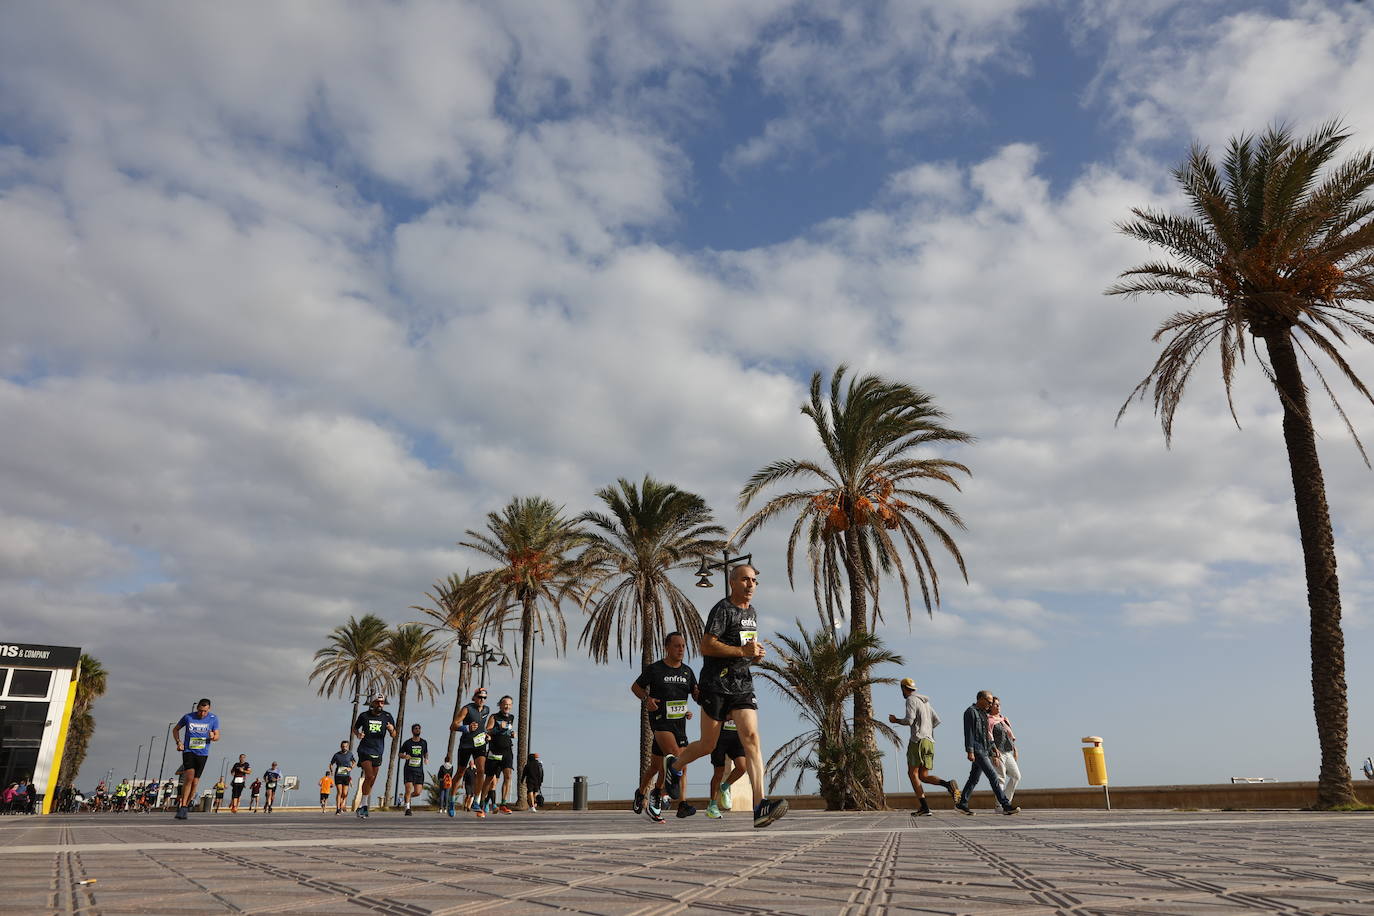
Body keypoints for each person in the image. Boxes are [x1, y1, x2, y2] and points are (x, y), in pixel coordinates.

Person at [664, 564, 788, 828]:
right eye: (745, 579)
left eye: (754, 580)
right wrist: (741, 651)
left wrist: (752, 655)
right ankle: (674, 766)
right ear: (733, 582)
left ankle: (760, 805)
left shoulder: (752, 613)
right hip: (716, 685)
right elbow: (707, 645)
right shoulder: (722, 609)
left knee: (752, 738)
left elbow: (743, 650)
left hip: (742, 685)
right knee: (707, 745)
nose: (751, 584)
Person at [631, 631, 699, 821]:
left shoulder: (687, 672)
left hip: (680, 725)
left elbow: (695, 695)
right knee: (677, 758)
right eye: (677, 645)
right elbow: (635, 687)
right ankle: (677, 801)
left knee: (656, 766)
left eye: (683, 646)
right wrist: (647, 699)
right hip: (660, 721)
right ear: (666, 647)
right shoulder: (655, 669)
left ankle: (642, 792)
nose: (681, 649)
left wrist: (697, 697)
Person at [888, 677, 961, 816]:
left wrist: (895, 720)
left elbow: (909, 720)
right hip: (929, 741)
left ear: (903, 688)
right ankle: (948, 785)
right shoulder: (926, 702)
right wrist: (926, 728)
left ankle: (924, 807)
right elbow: (937, 720)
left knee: (912, 774)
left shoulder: (910, 700)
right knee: (923, 775)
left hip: (918, 741)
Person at [956, 690, 1019, 815]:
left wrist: (992, 749)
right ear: (981, 699)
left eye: (991, 703)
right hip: (977, 749)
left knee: (973, 779)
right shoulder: (970, 712)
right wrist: (970, 751)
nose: (990, 705)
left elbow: (987, 735)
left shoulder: (984, 714)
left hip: (985, 749)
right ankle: (1006, 805)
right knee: (993, 777)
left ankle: (962, 804)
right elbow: (968, 733)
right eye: (989, 702)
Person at [172, 698, 220, 820]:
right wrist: (179, 742)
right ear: (197, 708)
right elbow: (175, 729)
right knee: (189, 777)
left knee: (195, 782)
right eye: (200, 710)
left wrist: (213, 736)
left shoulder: (213, 719)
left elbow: (217, 736)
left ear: (209, 709)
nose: (202, 713)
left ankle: (186, 807)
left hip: (203, 753)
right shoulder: (188, 717)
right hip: (189, 751)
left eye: (204, 711)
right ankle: (182, 805)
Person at [352, 695, 397, 818]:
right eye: (378, 702)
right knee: (369, 775)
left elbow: (394, 734)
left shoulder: (387, 716)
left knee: (372, 780)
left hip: (378, 751)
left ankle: (361, 805)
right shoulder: (364, 716)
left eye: (382, 702)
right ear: (373, 703)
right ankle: (365, 806)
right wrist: (358, 734)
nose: (380, 704)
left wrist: (392, 729)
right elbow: (354, 728)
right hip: (364, 749)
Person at [451, 688, 491, 818]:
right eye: (479, 697)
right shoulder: (466, 709)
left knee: (481, 770)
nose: (482, 700)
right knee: (460, 772)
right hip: (466, 744)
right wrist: (466, 728)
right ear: (474, 698)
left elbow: (483, 727)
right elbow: (453, 726)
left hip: (479, 744)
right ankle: (451, 800)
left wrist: (486, 735)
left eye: (484, 698)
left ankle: (476, 801)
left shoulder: (486, 710)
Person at [706, 714, 747, 819]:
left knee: (742, 767)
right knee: (719, 772)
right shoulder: (720, 698)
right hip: (719, 737)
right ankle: (712, 806)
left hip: (736, 737)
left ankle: (725, 787)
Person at [485, 696, 516, 814]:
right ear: (500, 705)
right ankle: (483, 802)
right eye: (505, 704)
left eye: (509, 704)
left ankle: (503, 803)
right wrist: (498, 728)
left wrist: (511, 734)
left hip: (507, 749)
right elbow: (487, 730)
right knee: (490, 780)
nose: (507, 706)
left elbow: (507, 731)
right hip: (495, 750)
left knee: (508, 775)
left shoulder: (511, 717)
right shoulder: (494, 717)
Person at [987, 697, 1020, 802]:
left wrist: (1015, 749)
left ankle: (1006, 801)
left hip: (1008, 752)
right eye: (995, 704)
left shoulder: (1003, 719)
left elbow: (1009, 736)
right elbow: (989, 738)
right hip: (997, 752)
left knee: (1016, 776)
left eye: (999, 704)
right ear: (990, 707)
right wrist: (993, 754)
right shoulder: (988, 720)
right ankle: (1000, 805)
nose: (998, 706)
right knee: (1001, 778)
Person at [399, 724, 428, 816]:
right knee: (408, 789)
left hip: (419, 770)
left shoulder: (423, 742)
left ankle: (407, 797)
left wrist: (426, 758)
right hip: (409, 769)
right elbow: (400, 754)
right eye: (416, 729)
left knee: (418, 792)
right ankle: (407, 808)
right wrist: (404, 756)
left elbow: (426, 752)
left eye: (419, 728)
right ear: (412, 731)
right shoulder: (408, 743)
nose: (418, 730)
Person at [329, 741, 356, 815]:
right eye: (343, 746)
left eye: (346, 746)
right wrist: (331, 770)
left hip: (346, 775)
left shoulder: (350, 754)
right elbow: (331, 764)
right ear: (341, 746)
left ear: (347, 747)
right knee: (339, 792)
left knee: (344, 793)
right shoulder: (336, 755)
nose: (344, 748)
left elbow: (354, 762)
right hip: (338, 775)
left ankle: (342, 804)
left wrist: (350, 768)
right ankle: (338, 809)